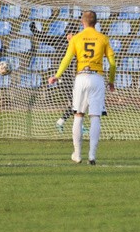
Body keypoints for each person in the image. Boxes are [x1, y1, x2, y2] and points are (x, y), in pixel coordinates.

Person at [48, 10, 116, 165]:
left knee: (78, 115)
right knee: (95, 116)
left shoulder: (76, 38)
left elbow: (67, 58)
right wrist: (111, 81)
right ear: (96, 22)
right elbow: (112, 63)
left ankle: (77, 154)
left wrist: (57, 75)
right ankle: (92, 155)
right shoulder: (103, 38)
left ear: (82, 22)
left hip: (81, 78)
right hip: (97, 78)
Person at [30, 20, 82, 132]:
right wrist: (33, 29)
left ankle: (61, 122)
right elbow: (43, 38)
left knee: (76, 102)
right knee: (75, 102)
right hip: (62, 77)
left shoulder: (77, 44)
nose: (72, 36)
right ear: (67, 34)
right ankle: (75, 126)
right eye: (71, 34)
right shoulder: (59, 40)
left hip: (71, 77)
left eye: (74, 34)